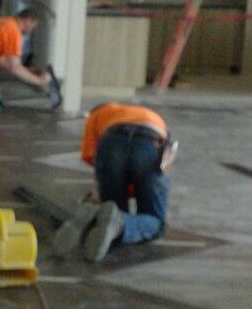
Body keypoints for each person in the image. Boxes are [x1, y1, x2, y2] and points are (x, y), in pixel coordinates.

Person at [53, 102, 178, 263]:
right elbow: (165, 163)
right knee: (156, 222)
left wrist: (98, 193)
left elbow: (93, 158)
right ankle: (121, 222)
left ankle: (94, 217)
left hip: (111, 141)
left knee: (111, 207)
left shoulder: (96, 115)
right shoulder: (153, 115)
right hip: (151, 140)